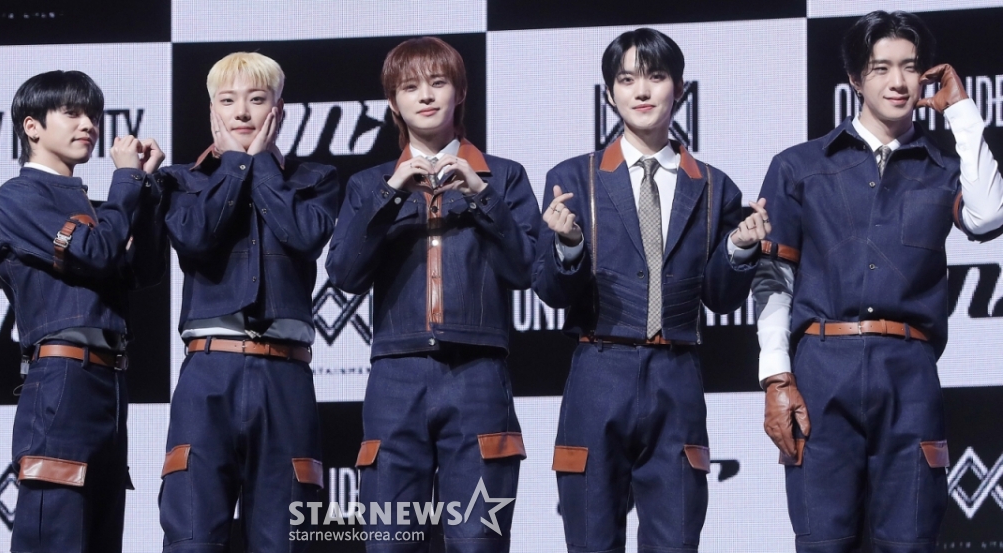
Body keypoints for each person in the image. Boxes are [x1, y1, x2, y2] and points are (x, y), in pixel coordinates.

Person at [755, 10, 1003, 552]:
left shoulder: (941, 168)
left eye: (910, 67)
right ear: (854, 78)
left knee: (910, 543)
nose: (898, 81)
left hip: (909, 377)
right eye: (881, 68)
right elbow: (774, 278)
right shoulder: (799, 166)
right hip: (820, 374)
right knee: (823, 543)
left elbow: (989, 216)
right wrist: (776, 379)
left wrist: (962, 112)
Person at [533, 28, 766, 552]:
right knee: (591, 541)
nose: (642, 91)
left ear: (678, 89)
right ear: (609, 94)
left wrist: (740, 249)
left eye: (656, 77)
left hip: (676, 377)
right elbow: (549, 290)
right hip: (597, 374)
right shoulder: (573, 178)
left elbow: (722, 298)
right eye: (627, 79)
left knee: (676, 541)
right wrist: (568, 244)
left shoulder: (714, 185)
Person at [326, 36, 540, 552]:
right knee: (389, 541)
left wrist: (482, 195)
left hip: (478, 375)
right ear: (393, 102)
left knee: (478, 541)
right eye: (410, 87)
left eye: (438, 83)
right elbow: (345, 274)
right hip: (395, 379)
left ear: (460, 92)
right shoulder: (370, 184)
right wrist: (390, 193)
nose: (425, 96)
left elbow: (526, 269)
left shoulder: (503, 177)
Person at [157, 52, 340, 552]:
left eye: (256, 99)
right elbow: (196, 237)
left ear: (278, 109)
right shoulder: (181, 181)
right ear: (211, 111)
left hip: (286, 375)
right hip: (208, 372)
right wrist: (237, 165)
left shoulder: (315, 179)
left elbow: (304, 236)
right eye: (228, 101)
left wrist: (260, 165)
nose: (242, 112)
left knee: (285, 539)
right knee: (192, 537)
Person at [0, 70, 167, 553]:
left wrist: (146, 188)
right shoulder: (18, 196)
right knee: (56, 535)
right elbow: (95, 251)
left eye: (92, 114)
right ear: (32, 127)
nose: (88, 124)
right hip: (61, 379)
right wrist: (127, 179)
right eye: (72, 113)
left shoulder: (95, 206)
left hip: (110, 384)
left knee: (102, 535)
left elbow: (145, 270)